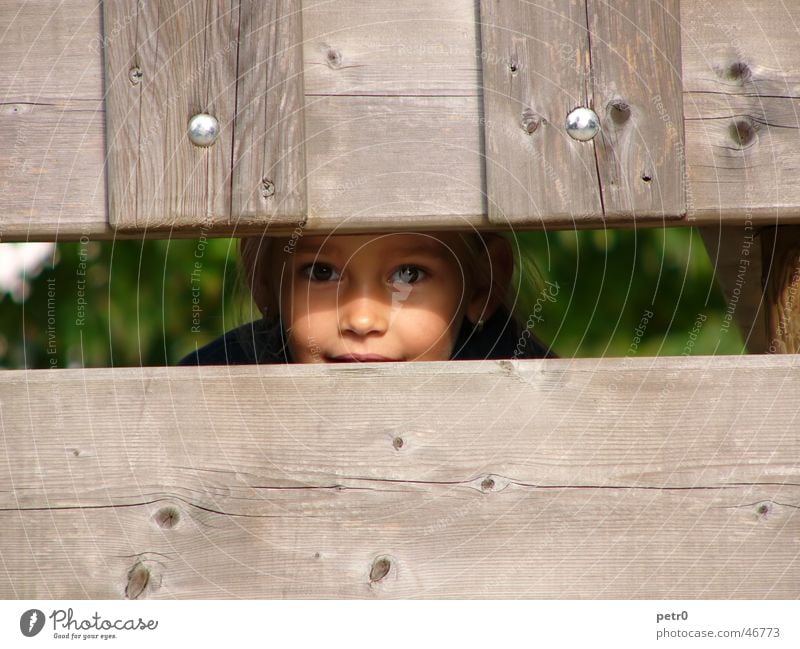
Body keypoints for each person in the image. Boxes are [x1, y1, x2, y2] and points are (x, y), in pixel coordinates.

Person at [178, 231, 554, 365]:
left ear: (483, 286)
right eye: (321, 272)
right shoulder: (207, 396)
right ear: (263, 280)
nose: (361, 320)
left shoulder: (541, 411)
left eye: (409, 274)